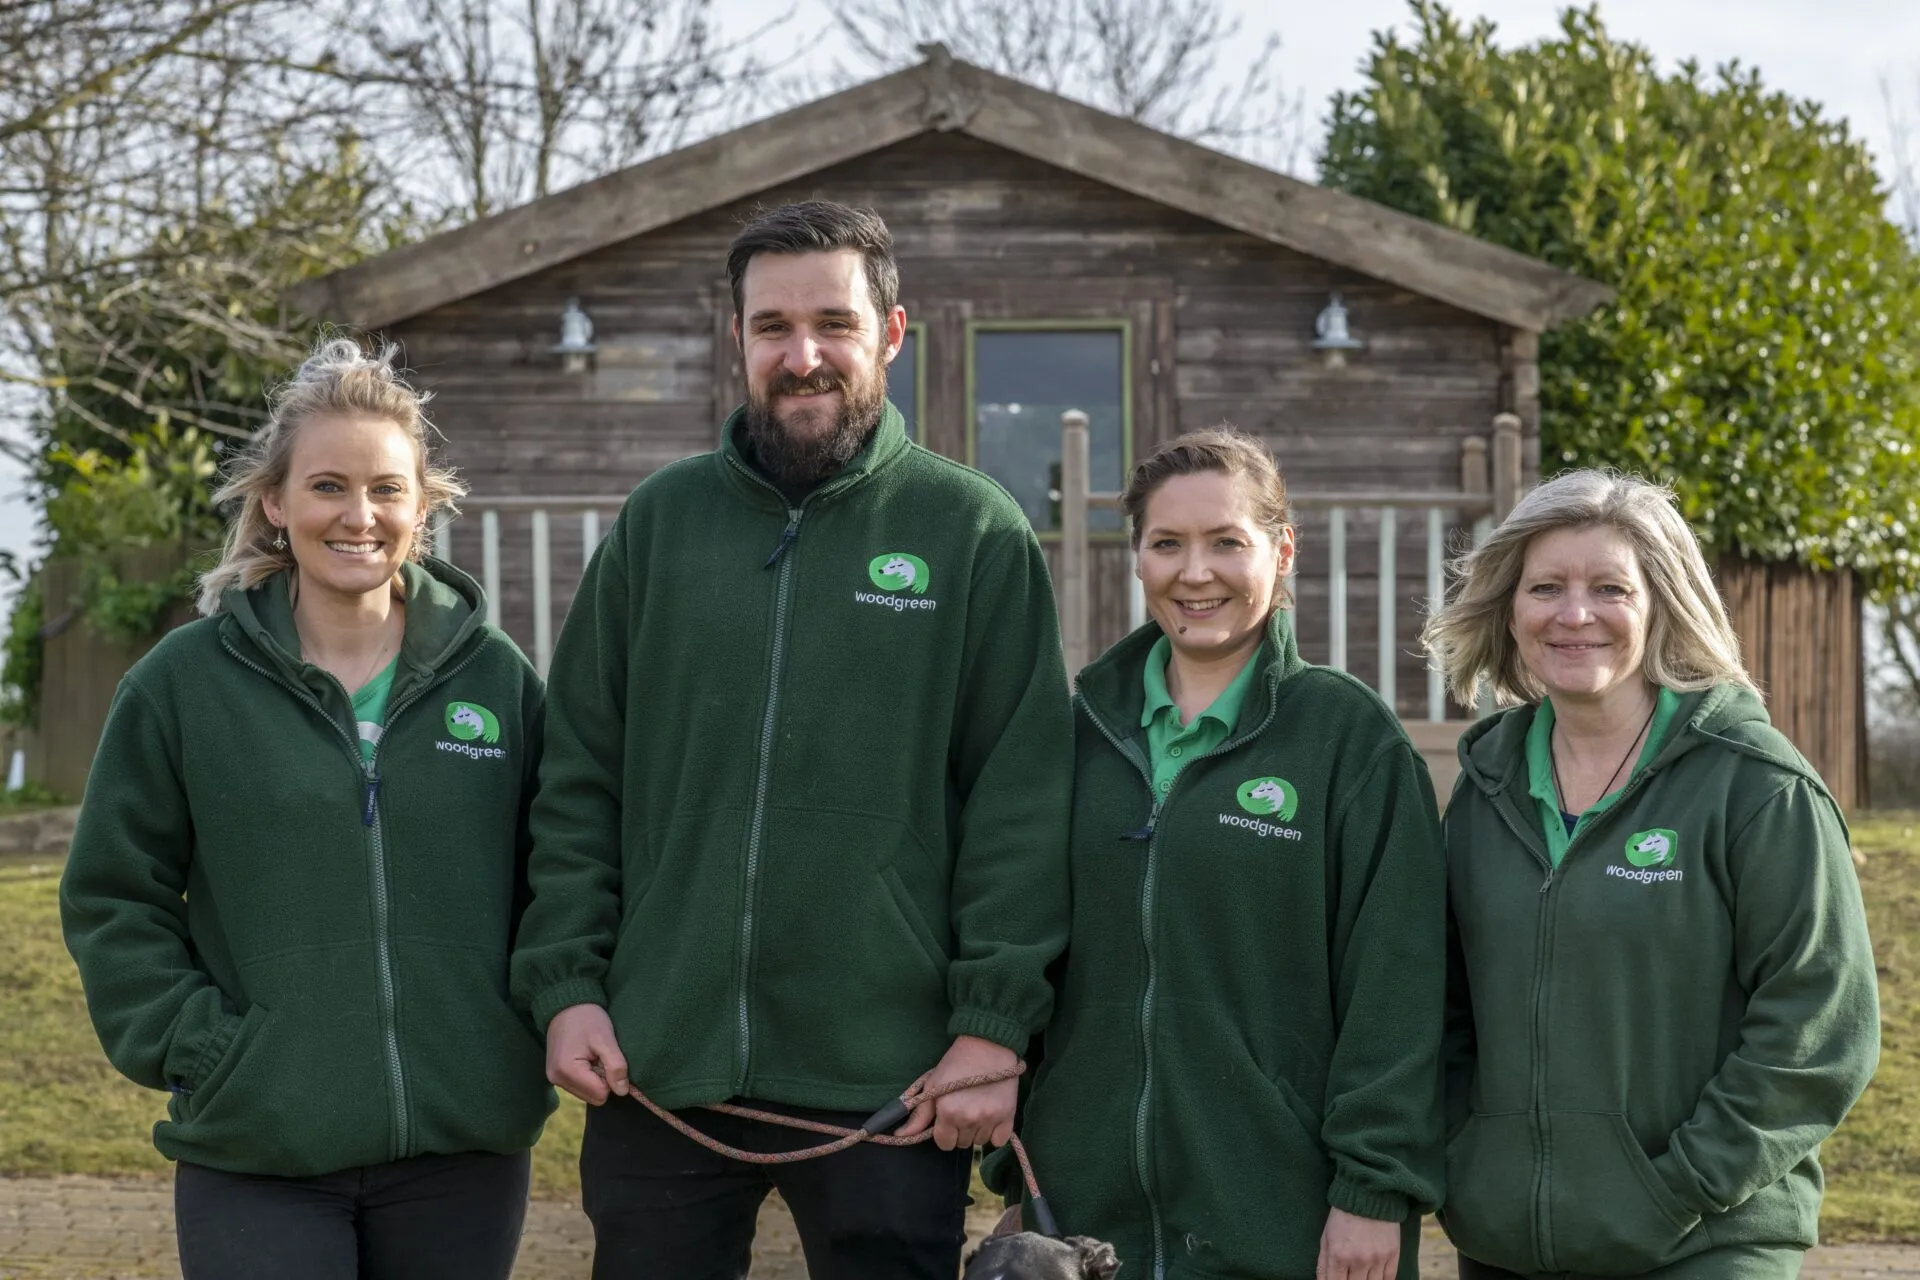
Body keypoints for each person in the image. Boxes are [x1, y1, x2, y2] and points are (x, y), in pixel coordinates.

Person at [510, 200, 1073, 1279]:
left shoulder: (973, 533)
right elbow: (579, 778)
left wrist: (993, 1024)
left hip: (893, 1078)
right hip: (660, 1063)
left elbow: (1022, 804)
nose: (802, 355)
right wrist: (567, 984)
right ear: (738, 337)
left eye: (833, 324)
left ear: (890, 334)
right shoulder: (658, 525)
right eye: (772, 326)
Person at [60, 338, 552, 1279]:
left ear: (422, 506)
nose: (358, 516)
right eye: (328, 486)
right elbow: (112, 895)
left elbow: (559, 874)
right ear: (275, 503)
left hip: (463, 1151)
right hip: (258, 1147)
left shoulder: (498, 680)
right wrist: (205, 1049)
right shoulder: (182, 686)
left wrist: (512, 1033)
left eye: (386, 489)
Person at [999, 428, 1446, 1280]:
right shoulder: (1075, 736)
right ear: (1138, 558)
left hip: (1287, 1223)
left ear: (1283, 552)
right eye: (1167, 543)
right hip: (1082, 1218)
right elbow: (1027, 954)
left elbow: (1400, 990)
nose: (1195, 572)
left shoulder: (1351, 742)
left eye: (1227, 543)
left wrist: (1374, 1189)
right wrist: (1019, 1173)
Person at [1422, 469, 1880, 1280]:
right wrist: (1471, 1162)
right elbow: (1445, 1005)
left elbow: (1819, 1024)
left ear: (1661, 604)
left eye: (1610, 588)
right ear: (1509, 608)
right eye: (1546, 588)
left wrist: (1680, 1187)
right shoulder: (1485, 791)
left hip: (1703, 1240)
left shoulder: (1754, 784)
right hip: (1505, 1245)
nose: (1575, 615)